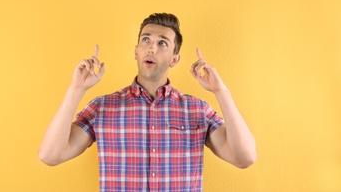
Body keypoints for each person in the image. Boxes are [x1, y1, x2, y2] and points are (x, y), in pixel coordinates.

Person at [39, 13, 256, 191]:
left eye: (162, 43)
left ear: (174, 58)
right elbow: (50, 155)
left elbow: (244, 158)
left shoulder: (197, 110)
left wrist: (221, 91)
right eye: (146, 40)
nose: (151, 47)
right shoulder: (102, 108)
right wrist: (76, 89)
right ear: (136, 52)